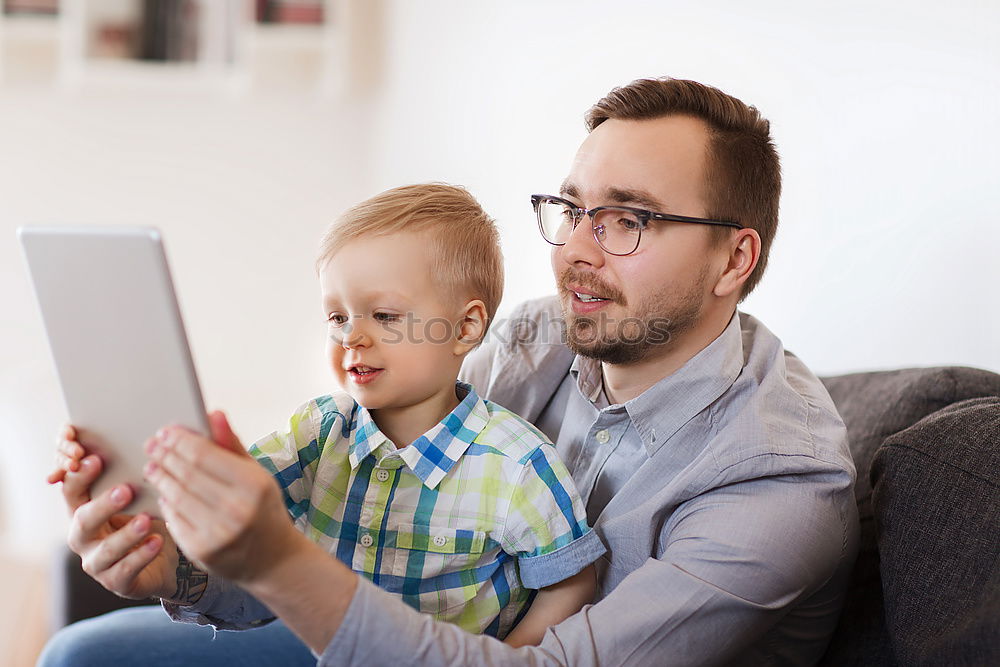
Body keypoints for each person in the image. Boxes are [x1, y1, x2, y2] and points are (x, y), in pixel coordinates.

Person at [41, 77, 859, 666]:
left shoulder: (779, 482)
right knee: (83, 650)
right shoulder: (541, 337)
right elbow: (387, 547)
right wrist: (178, 566)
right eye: (572, 209)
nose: (573, 248)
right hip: (419, 631)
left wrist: (275, 560)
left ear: (734, 258)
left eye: (627, 219)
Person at [43, 184, 604, 660]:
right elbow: (242, 507)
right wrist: (140, 487)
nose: (352, 337)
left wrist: (512, 656)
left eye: (383, 316)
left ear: (465, 328)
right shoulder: (318, 430)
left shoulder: (516, 462)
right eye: (337, 316)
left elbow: (571, 581)